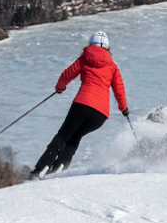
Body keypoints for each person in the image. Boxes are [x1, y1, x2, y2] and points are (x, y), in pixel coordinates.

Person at [31, 31, 129, 178]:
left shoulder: (84, 58)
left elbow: (66, 75)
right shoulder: (113, 67)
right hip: (100, 115)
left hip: (82, 105)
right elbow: (119, 90)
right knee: (75, 138)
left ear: (91, 44)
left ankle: (40, 170)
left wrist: (60, 88)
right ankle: (59, 169)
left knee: (63, 136)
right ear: (108, 47)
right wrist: (124, 109)